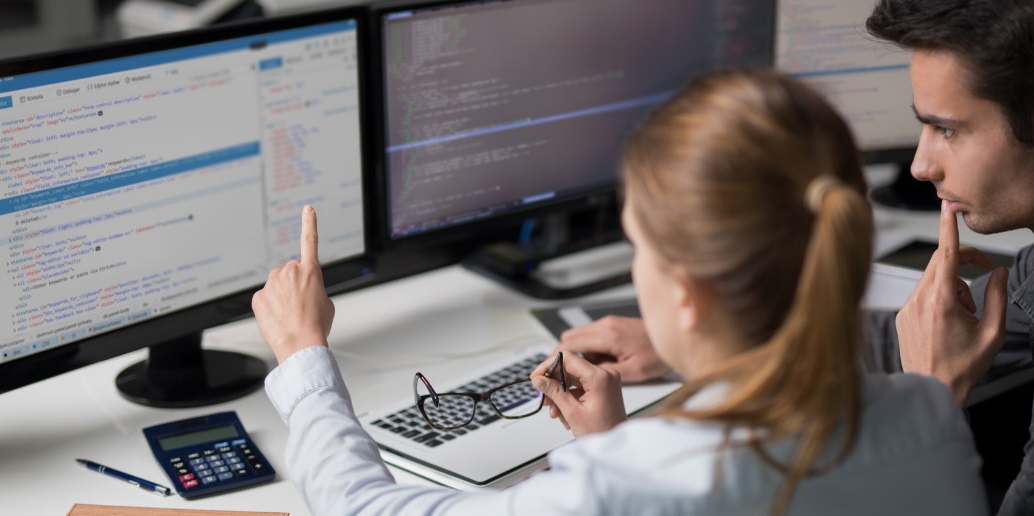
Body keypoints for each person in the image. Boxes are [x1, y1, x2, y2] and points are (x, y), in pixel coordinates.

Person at [566, 0, 1034, 515]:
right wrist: (715, 334)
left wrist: (933, 404)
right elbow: (923, 332)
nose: (922, 164)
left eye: (948, 129)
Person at [251, 68, 987, 515]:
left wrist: (303, 353)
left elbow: (368, 508)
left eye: (639, 247)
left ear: (689, 294)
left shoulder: (633, 484)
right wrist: (608, 446)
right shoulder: (930, 410)